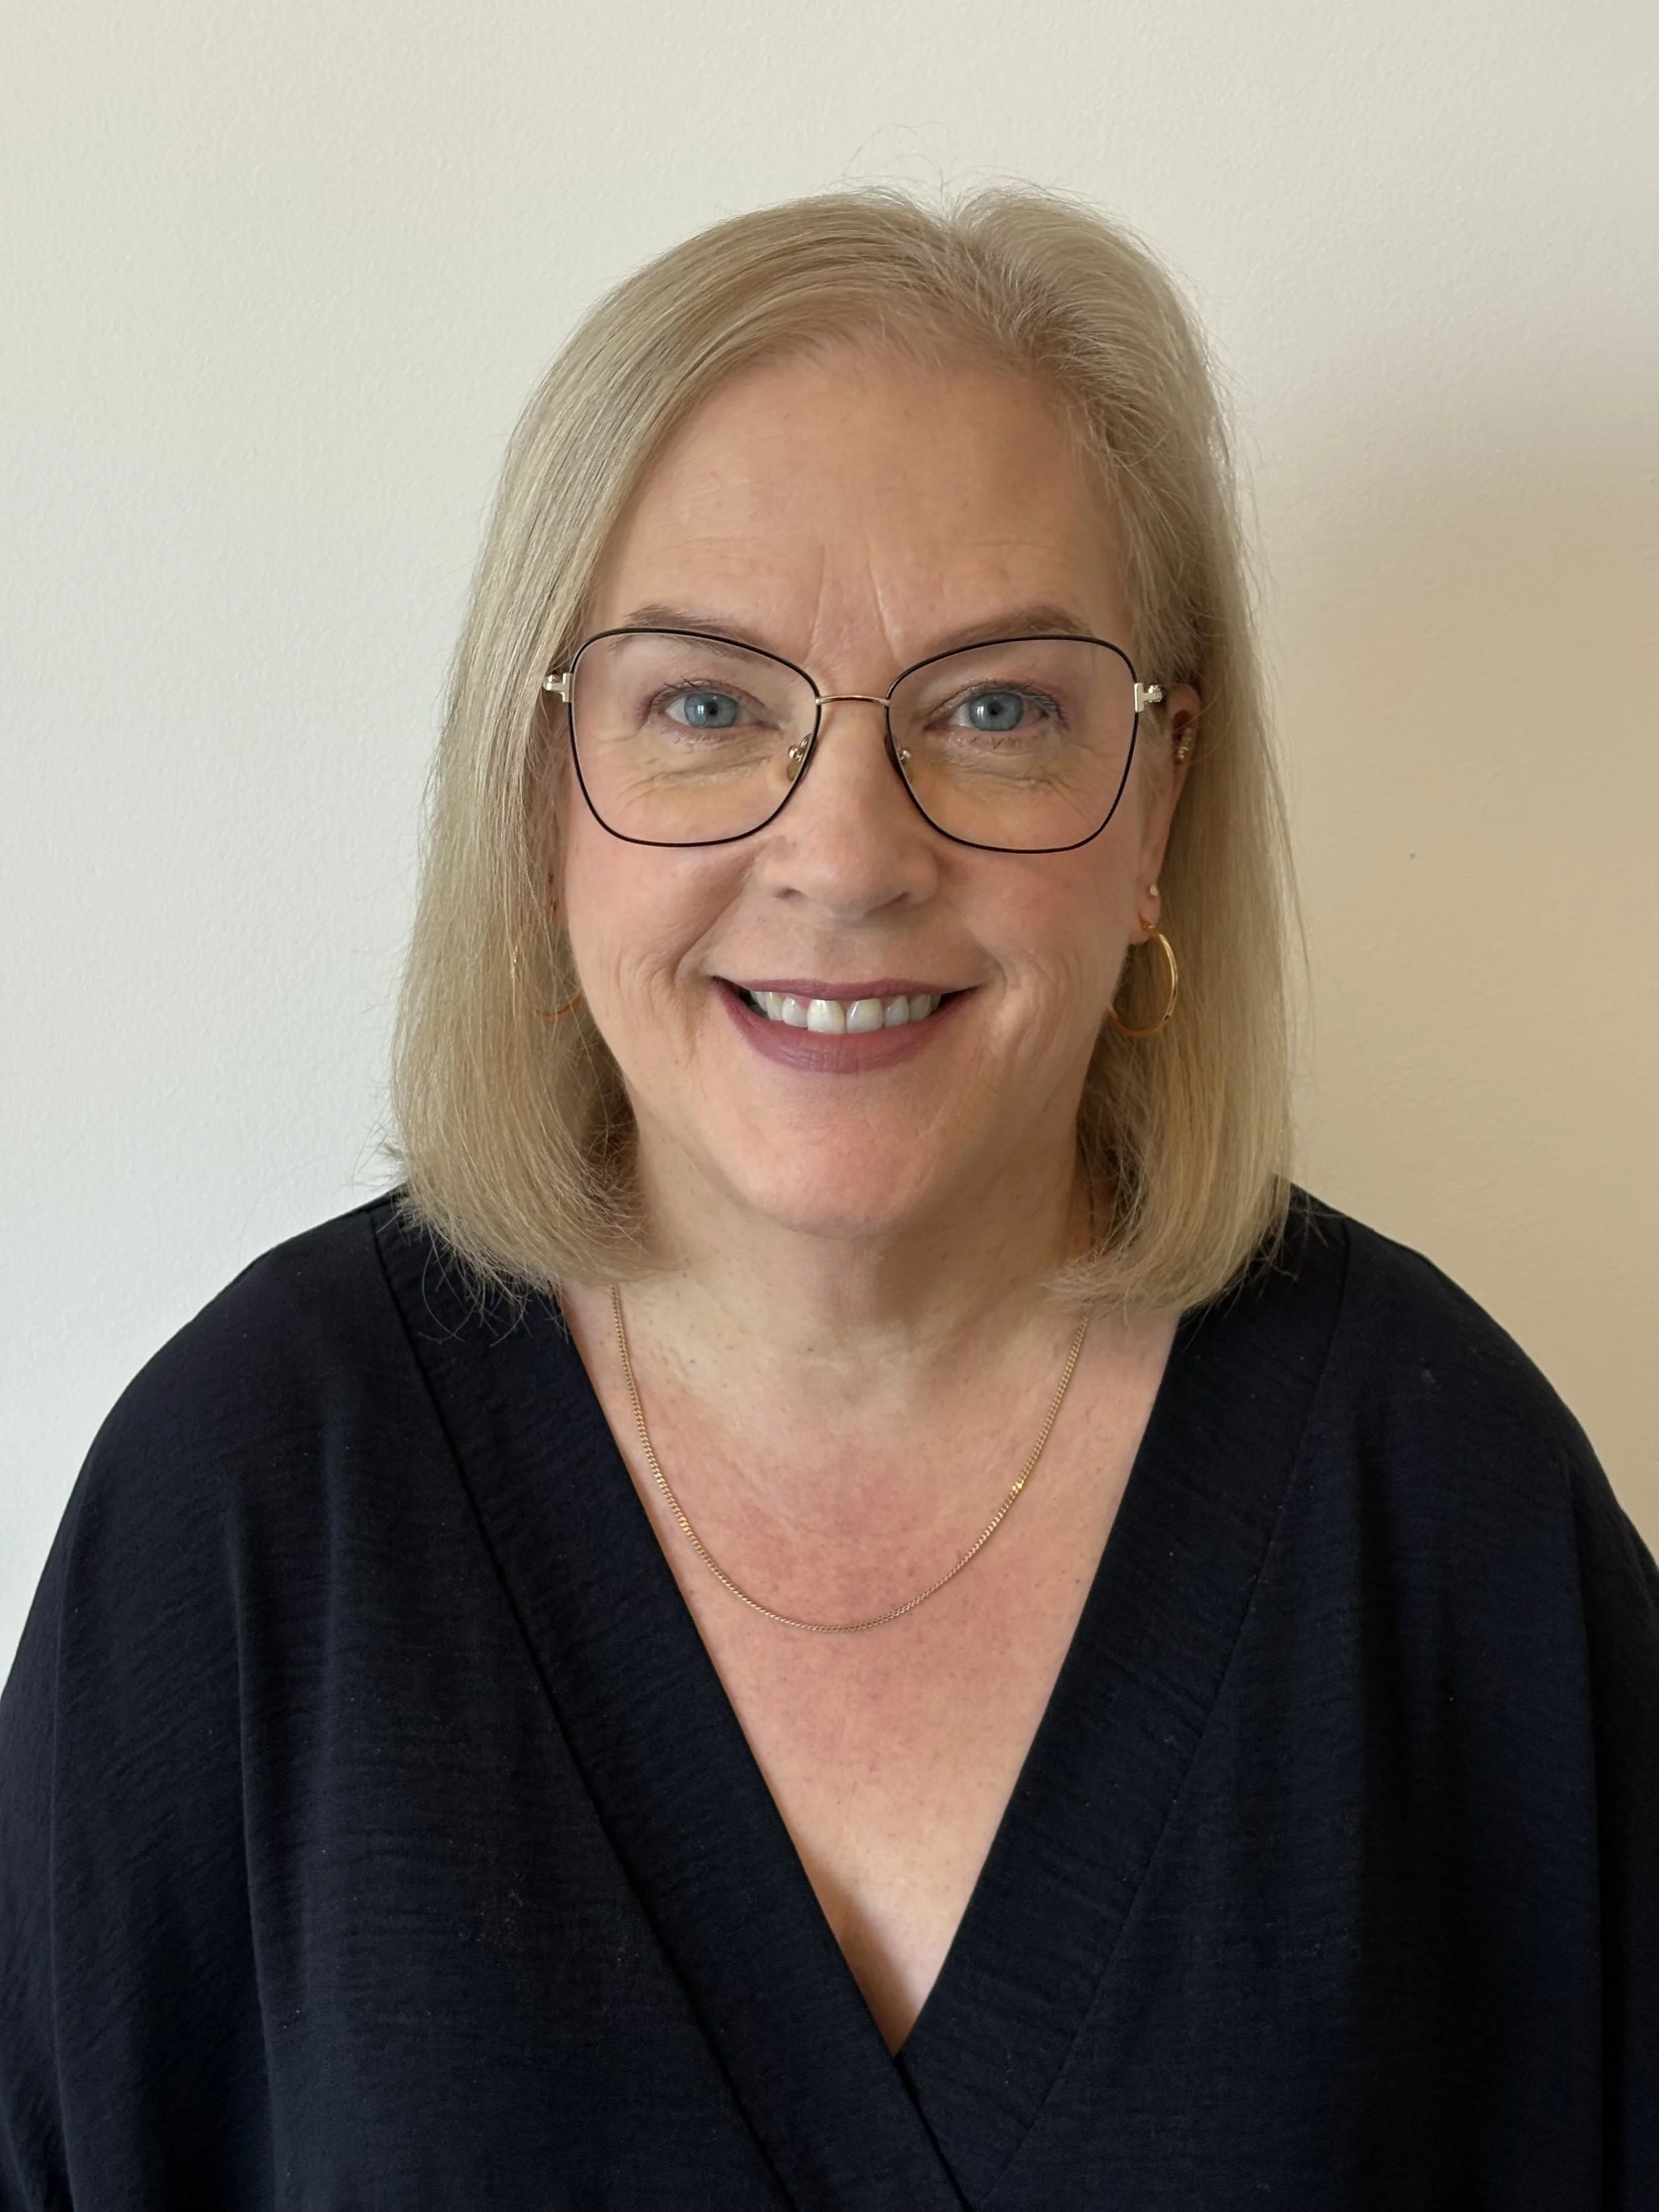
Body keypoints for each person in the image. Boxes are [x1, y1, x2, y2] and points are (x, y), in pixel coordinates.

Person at [1, 188, 1654, 2212]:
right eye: (705, 704)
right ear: (541, 798)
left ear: (1157, 802)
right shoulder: (252, 1497)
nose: (849, 855)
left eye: (996, 707)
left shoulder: (1446, 1504)